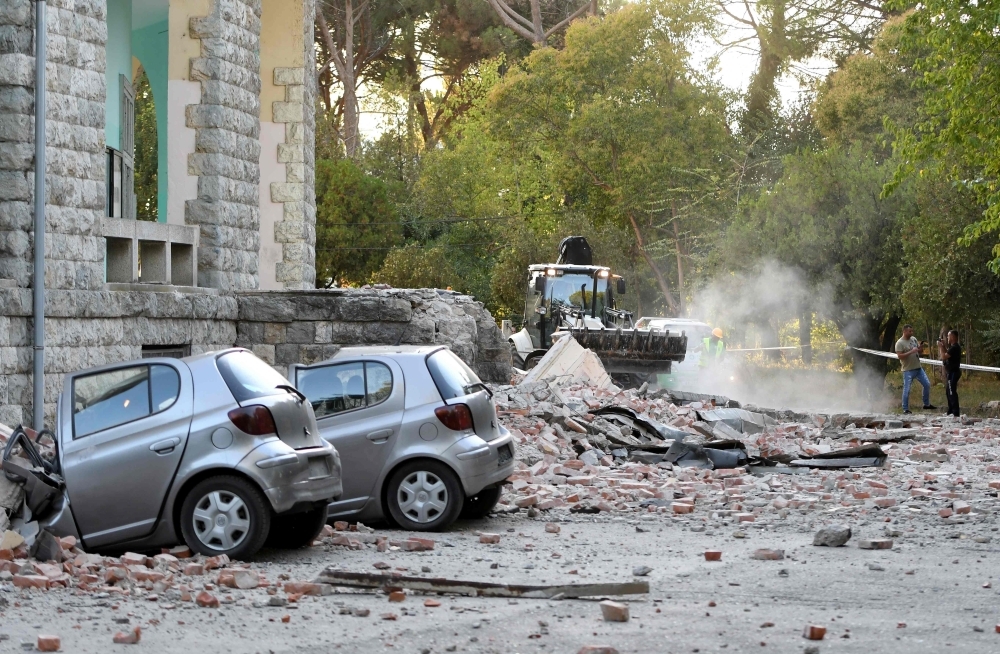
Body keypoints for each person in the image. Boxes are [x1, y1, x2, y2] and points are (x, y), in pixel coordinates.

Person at [895, 324, 936, 414]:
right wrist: (911, 351)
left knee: (927, 384)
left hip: (918, 368)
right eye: (909, 331)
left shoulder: (913, 339)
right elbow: (900, 356)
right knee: (907, 389)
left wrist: (920, 349)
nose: (911, 333)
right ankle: (905, 409)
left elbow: (918, 351)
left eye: (912, 331)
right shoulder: (900, 343)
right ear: (904, 331)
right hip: (908, 369)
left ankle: (926, 404)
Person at [939, 329, 962, 417]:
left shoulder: (955, 347)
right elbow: (947, 353)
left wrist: (940, 347)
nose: (947, 338)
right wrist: (943, 346)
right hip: (951, 372)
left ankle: (955, 412)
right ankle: (950, 410)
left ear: (952, 337)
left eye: (948, 336)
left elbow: (944, 356)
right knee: (948, 391)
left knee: (952, 391)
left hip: (953, 372)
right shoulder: (952, 347)